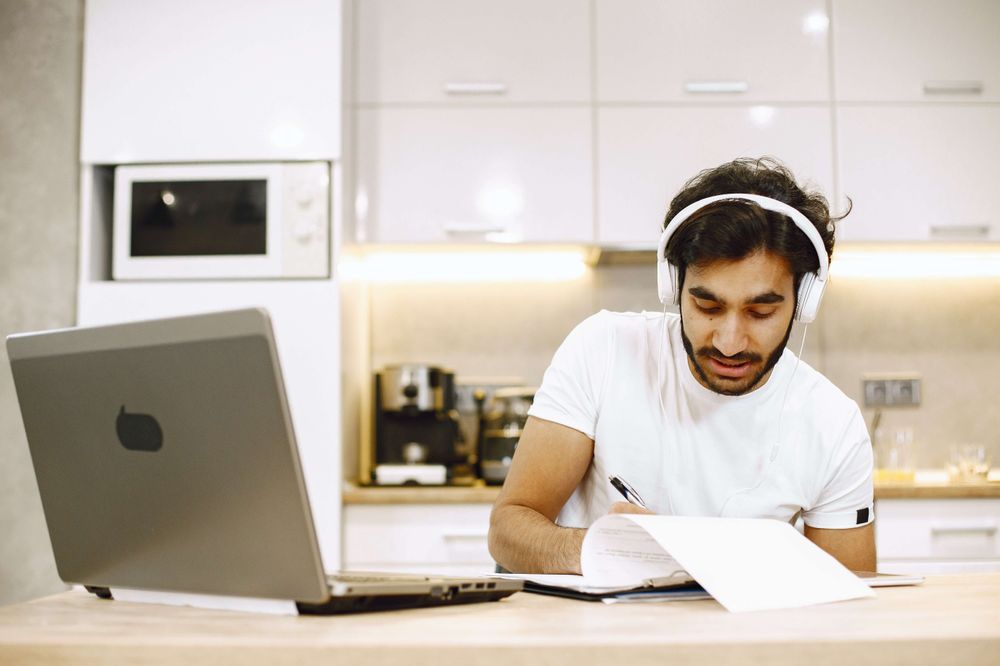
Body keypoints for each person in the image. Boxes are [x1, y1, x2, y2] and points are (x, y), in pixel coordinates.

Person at [488, 157, 875, 574]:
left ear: (805, 301)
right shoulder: (603, 350)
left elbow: (848, 596)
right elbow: (509, 529)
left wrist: (687, 557)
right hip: (599, 633)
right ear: (673, 286)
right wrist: (612, 549)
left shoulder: (833, 424)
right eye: (707, 306)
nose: (729, 342)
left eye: (760, 312)